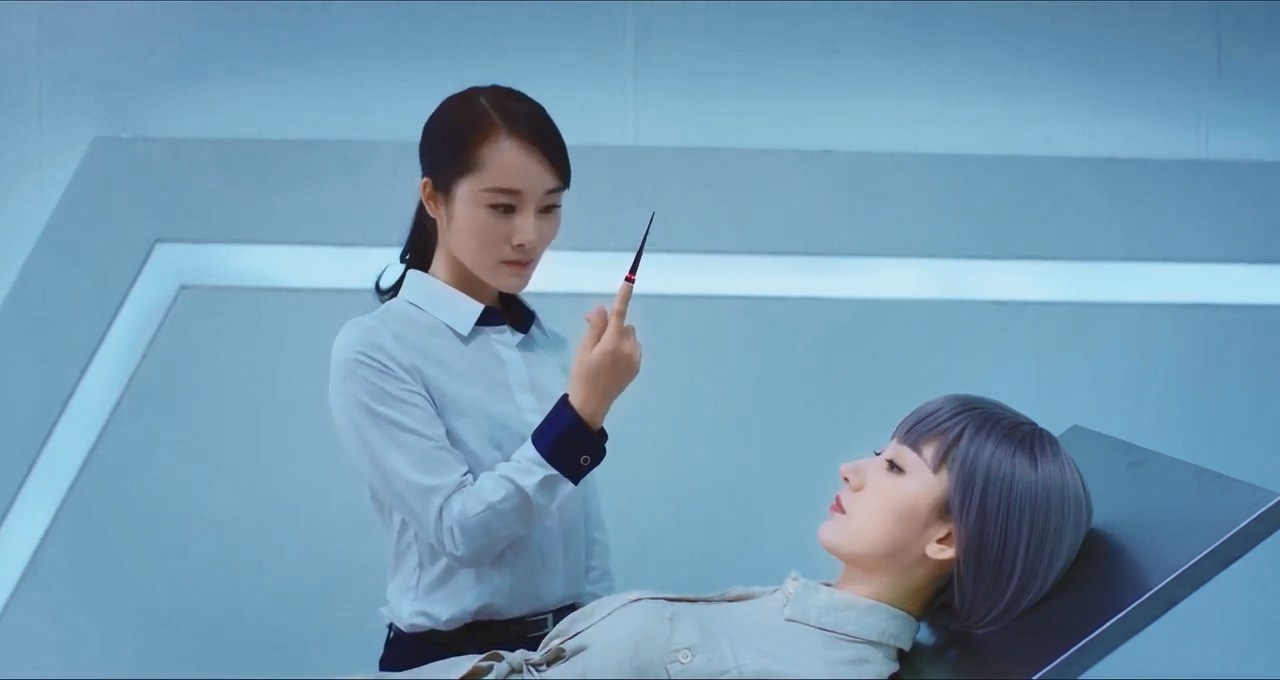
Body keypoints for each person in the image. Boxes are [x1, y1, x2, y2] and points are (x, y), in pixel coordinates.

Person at [355, 393, 1094, 679]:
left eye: (895, 467)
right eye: (879, 451)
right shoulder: (794, 617)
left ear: (947, 541)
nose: (854, 469)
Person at [328, 84, 644, 673]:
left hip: (567, 655)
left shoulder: (544, 343)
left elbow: (581, 534)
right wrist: (580, 418)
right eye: (502, 207)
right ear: (433, 197)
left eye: (549, 208)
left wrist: (604, 639)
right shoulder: (376, 349)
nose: (530, 235)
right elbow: (461, 532)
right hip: (450, 661)